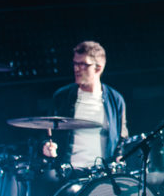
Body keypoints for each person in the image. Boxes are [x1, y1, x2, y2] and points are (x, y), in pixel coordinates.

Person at [42, 40, 128, 177]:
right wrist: (47, 145)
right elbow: (47, 130)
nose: (76, 69)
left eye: (83, 64)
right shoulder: (62, 96)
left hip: (101, 175)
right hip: (68, 174)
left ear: (98, 68)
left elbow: (122, 138)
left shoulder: (116, 99)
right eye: (75, 63)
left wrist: (119, 157)